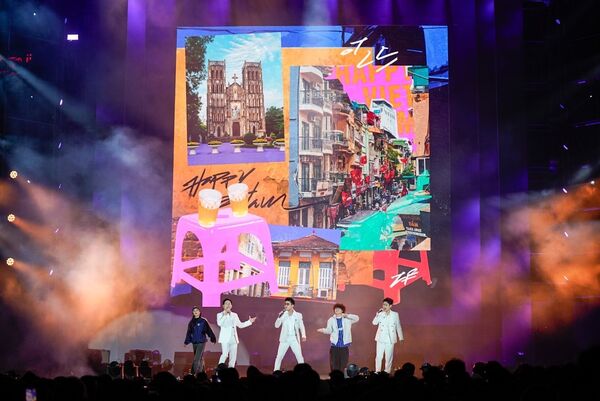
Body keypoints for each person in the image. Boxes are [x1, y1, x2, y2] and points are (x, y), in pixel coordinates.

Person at [317, 303, 360, 373]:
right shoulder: (331, 319)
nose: (336, 310)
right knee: (334, 364)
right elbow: (329, 330)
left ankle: (341, 377)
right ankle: (334, 377)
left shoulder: (347, 319)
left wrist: (347, 315)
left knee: (343, 364)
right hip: (334, 346)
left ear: (342, 310)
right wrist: (322, 330)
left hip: (344, 346)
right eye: (335, 308)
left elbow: (357, 318)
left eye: (339, 308)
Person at [216, 298, 256, 368]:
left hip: (234, 339)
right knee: (225, 355)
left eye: (229, 304)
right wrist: (225, 314)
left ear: (231, 306)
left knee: (233, 357)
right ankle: (219, 370)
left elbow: (240, 325)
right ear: (223, 306)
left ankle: (231, 370)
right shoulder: (220, 314)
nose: (228, 305)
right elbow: (220, 323)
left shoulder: (234, 315)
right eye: (226, 303)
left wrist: (249, 322)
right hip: (225, 339)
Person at [274, 297, 306, 371]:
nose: (285, 305)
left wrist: (303, 335)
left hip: (294, 339)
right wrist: (279, 317)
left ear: (292, 305)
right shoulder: (283, 315)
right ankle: (276, 371)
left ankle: (303, 372)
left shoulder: (298, 315)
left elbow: (301, 326)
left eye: (287, 304)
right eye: (285, 304)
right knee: (279, 356)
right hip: (284, 339)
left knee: (299, 356)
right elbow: (276, 326)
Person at [372, 297, 403, 373]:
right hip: (380, 339)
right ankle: (377, 372)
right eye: (383, 304)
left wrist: (401, 337)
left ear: (390, 306)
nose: (384, 306)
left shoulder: (395, 314)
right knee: (379, 357)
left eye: (386, 305)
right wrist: (377, 315)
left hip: (390, 339)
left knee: (388, 357)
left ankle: (387, 372)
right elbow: (374, 323)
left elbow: (398, 326)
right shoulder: (380, 314)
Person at [184, 306, 216, 374]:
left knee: (196, 358)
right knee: (200, 358)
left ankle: (193, 373)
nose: (195, 311)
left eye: (197, 310)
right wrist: (186, 342)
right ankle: (202, 373)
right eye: (194, 311)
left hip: (201, 341)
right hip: (194, 342)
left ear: (199, 312)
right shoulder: (191, 322)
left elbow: (208, 330)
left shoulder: (203, 321)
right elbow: (189, 332)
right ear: (193, 313)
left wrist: (212, 338)